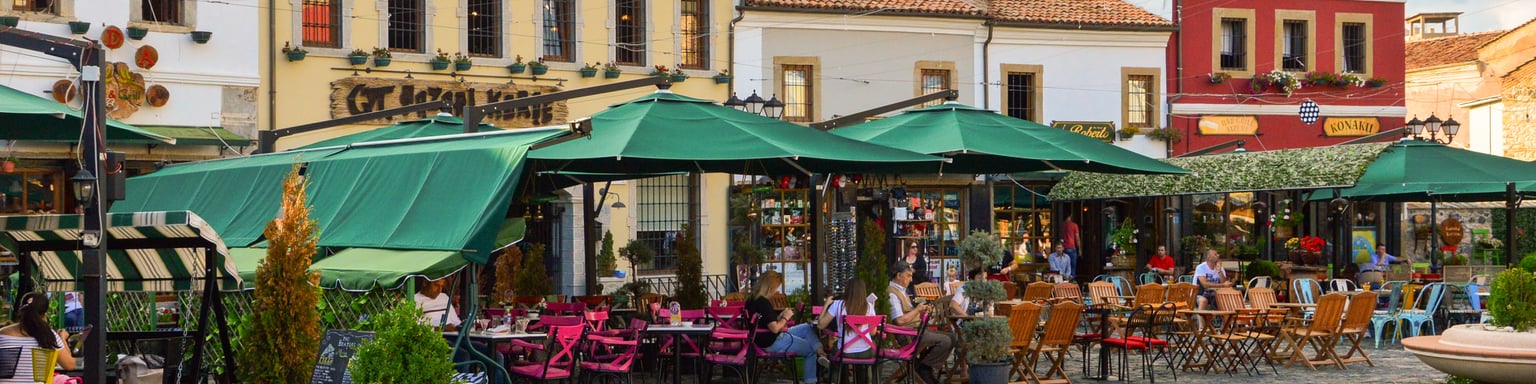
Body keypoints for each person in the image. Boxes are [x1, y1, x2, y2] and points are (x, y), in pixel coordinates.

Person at [747, 271, 824, 383]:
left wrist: (779, 317)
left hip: (760, 340)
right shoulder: (763, 302)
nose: (776, 291)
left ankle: (821, 352)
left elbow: (765, 323)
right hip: (773, 341)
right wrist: (786, 318)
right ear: (770, 287)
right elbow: (774, 328)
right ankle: (811, 380)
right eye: (776, 287)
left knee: (807, 327)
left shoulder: (751, 300)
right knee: (810, 350)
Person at [888, 262, 952, 384]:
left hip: (915, 330)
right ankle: (924, 369)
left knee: (951, 337)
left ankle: (923, 366)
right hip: (907, 335)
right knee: (946, 340)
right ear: (898, 275)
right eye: (908, 276)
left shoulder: (902, 291)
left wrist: (922, 312)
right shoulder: (892, 294)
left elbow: (909, 315)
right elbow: (900, 320)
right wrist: (917, 310)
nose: (910, 280)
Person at [0, 292, 76, 382]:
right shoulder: (48, 335)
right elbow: (69, 365)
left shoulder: (2, 334)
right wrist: (62, 338)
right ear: (43, 315)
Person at [817, 279, 875, 359]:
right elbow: (872, 333)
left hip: (844, 351)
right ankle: (861, 371)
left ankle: (833, 367)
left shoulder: (838, 304)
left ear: (847, 290)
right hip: (866, 351)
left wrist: (826, 304)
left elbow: (820, 325)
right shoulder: (869, 306)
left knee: (834, 352)